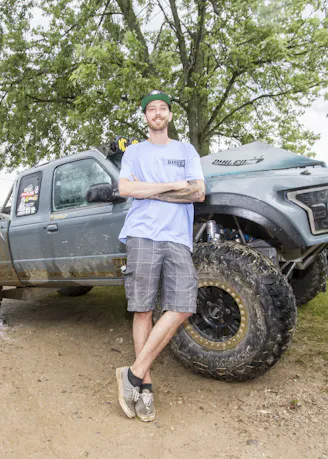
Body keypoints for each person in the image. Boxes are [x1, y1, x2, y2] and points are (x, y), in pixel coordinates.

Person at [115, 90, 205, 422]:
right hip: (142, 234)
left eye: (162, 108)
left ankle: (133, 374)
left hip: (178, 237)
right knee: (143, 309)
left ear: (169, 115)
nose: (157, 113)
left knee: (183, 305)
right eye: (151, 109)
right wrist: (173, 185)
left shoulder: (186, 150)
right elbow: (126, 189)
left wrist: (149, 188)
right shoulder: (135, 152)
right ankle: (145, 388)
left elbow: (198, 191)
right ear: (145, 117)